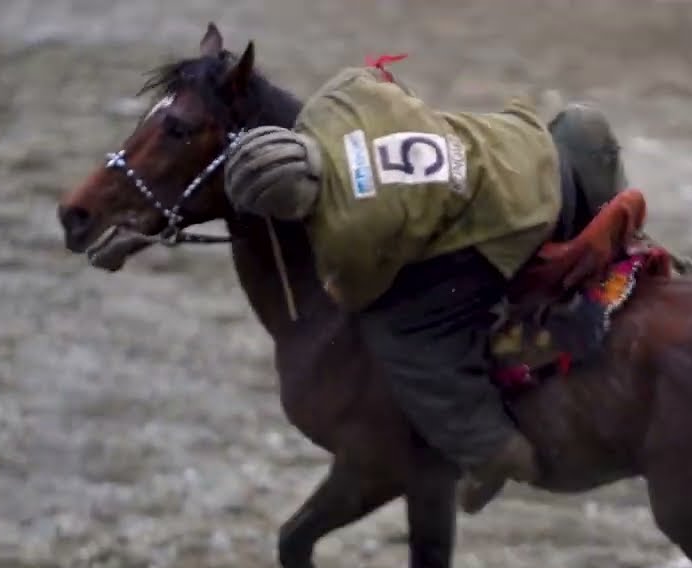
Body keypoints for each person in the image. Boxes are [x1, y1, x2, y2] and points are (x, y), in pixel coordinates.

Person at [223, 60, 632, 513]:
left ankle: (493, 451)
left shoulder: (346, 232)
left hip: (529, 219)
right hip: (533, 149)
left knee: (406, 335)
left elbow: (360, 293)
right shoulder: (336, 100)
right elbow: (382, 78)